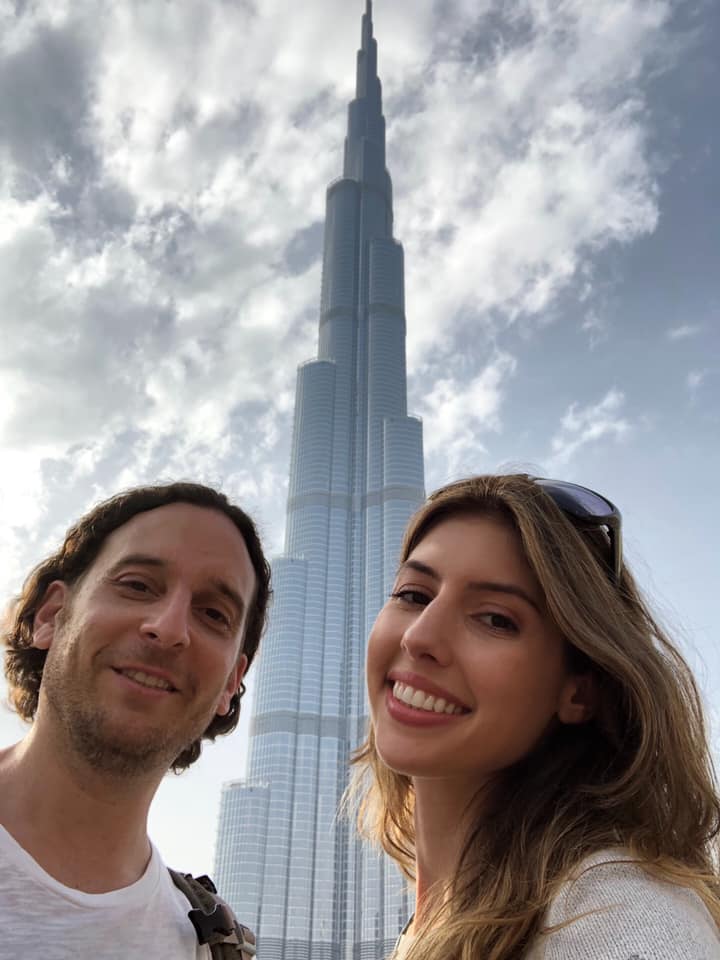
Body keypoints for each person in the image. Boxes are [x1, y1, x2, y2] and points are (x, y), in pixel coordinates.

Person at [354, 474, 720, 959]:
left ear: (580, 692)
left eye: (495, 619)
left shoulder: (617, 915)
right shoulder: (435, 919)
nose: (419, 637)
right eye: (413, 595)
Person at [0, 481, 271, 959]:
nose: (168, 629)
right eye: (137, 586)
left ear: (231, 682)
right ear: (51, 616)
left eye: (213, 614)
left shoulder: (211, 947)